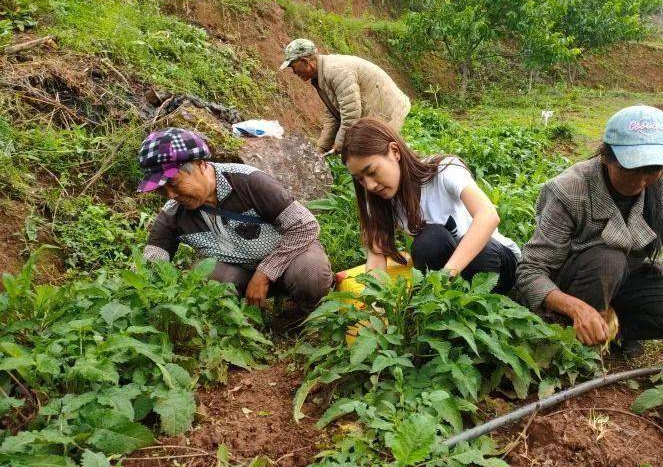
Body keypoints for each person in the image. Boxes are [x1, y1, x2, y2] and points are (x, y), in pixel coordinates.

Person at [516, 105, 663, 356]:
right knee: (607, 259)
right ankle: (573, 338)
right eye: (631, 169)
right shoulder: (570, 190)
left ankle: (617, 331)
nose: (640, 181)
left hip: (628, 278)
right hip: (577, 282)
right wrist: (575, 308)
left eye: (652, 171)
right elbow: (531, 271)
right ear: (606, 156)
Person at [138, 127, 334, 312]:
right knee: (204, 275)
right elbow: (150, 266)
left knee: (310, 273)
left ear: (201, 165)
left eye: (173, 183)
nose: (171, 195)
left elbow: (306, 227)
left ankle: (308, 314)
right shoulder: (172, 214)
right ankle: (244, 316)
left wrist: (265, 273)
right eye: (161, 189)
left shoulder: (248, 182)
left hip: (290, 260)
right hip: (242, 275)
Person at [341, 118, 520, 293]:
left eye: (372, 171)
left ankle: (451, 295)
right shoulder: (380, 201)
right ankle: (446, 301)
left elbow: (488, 216)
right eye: (360, 179)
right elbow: (376, 258)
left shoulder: (443, 171)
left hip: (496, 262)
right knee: (429, 241)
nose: (370, 185)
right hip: (454, 273)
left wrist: (445, 276)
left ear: (394, 151)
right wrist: (377, 304)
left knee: (479, 257)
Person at [280, 38, 411, 154]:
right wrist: (321, 148)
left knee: (378, 156)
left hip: (388, 110)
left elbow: (351, 113)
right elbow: (333, 115)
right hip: (374, 111)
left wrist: (341, 142)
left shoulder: (335, 71)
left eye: (293, 67)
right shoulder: (321, 76)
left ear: (306, 61)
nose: (294, 72)